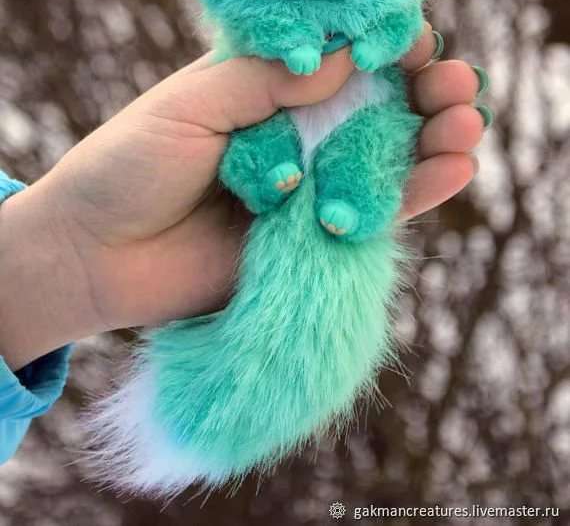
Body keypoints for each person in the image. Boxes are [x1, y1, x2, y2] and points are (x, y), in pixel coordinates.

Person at [0, 24, 491, 465]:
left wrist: (63, 248)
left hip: (360, 121)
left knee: (367, 156)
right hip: (276, 134)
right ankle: (277, 180)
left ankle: (348, 203)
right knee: (260, 148)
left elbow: (396, 30)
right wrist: (68, 248)